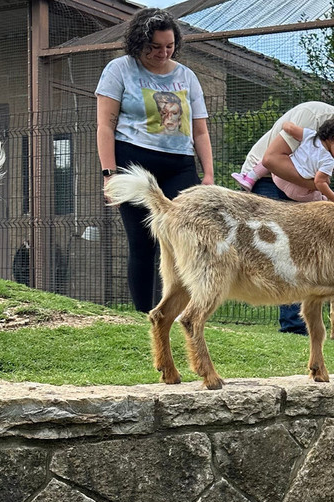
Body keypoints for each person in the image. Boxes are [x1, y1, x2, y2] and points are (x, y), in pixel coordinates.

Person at [233, 97, 334, 334]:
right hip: (265, 175)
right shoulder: (313, 116)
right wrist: (316, 186)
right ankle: (289, 322)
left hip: (306, 187)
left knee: (302, 248)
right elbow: (271, 160)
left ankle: (296, 325)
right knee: (282, 247)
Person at [95, 7, 214, 313]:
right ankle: (142, 315)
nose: (163, 53)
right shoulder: (119, 69)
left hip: (179, 165)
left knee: (181, 242)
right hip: (134, 160)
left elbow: (200, 131)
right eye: (154, 47)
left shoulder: (187, 76)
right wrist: (109, 174)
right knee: (143, 242)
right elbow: (105, 125)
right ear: (138, 43)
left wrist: (208, 175)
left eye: (169, 46)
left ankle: (179, 313)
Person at [232, 118, 334, 204]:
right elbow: (319, 182)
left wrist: (285, 122)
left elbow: (290, 128)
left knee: (273, 159)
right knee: (319, 192)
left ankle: (250, 178)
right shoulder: (328, 161)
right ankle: (321, 200)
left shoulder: (310, 135)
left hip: (279, 177)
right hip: (298, 192)